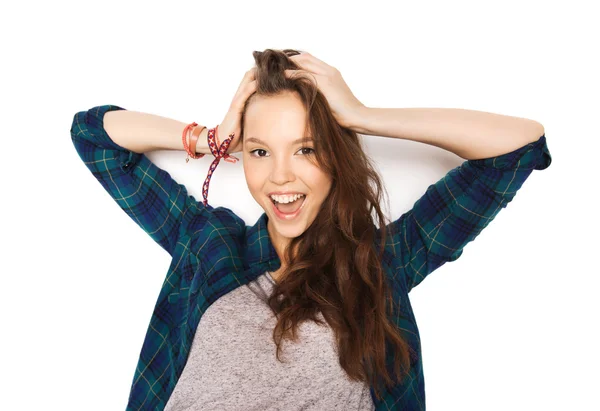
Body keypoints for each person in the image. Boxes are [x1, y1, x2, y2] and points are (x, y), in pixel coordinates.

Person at [70, 48, 552, 410]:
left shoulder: (383, 263)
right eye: (260, 151)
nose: (281, 175)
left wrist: (361, 117)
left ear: (336, 158)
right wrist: (209, 138)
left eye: (305, 149)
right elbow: (93, 136)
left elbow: (517, 147)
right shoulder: (209, 244)